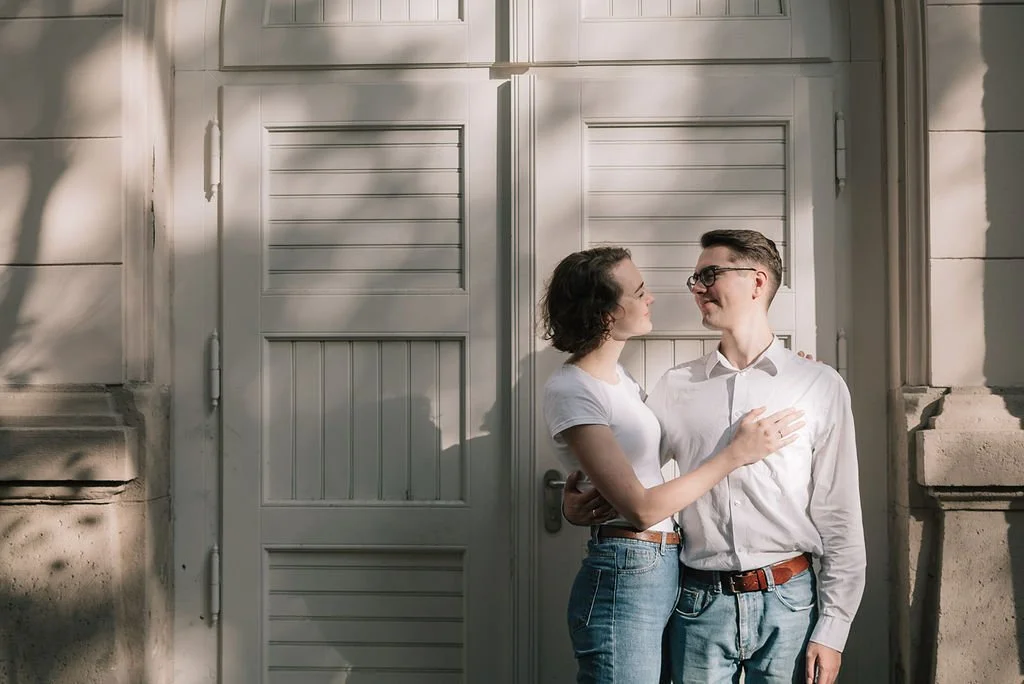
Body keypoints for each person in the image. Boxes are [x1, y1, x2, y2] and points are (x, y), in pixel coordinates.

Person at [564, 230, 866, 684]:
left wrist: (834, 628)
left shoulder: (818, 385)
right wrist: (579, 502)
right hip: (697, 604)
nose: (697, 287)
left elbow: (840, 515)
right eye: (695, 277)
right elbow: (633, 478)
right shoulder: (674, 386)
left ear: (757, 281)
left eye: (710, 274)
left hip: (791, 603)